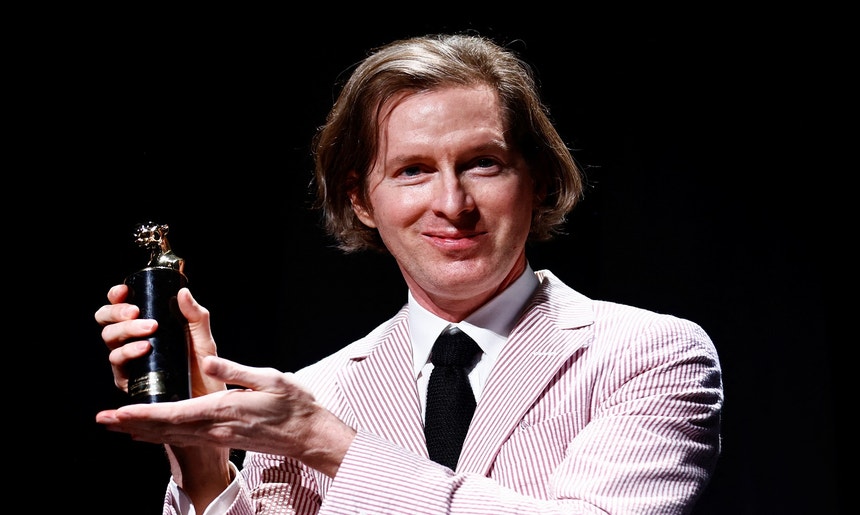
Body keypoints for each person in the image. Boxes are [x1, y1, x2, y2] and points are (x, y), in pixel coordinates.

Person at [95, 33, 723, 514]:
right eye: (412, 171)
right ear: (362, 201)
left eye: (482, 163)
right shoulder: (315, 394)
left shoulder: (649, 354)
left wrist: (332, 447)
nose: (452, 203)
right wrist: (203, 458)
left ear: (537, 179)